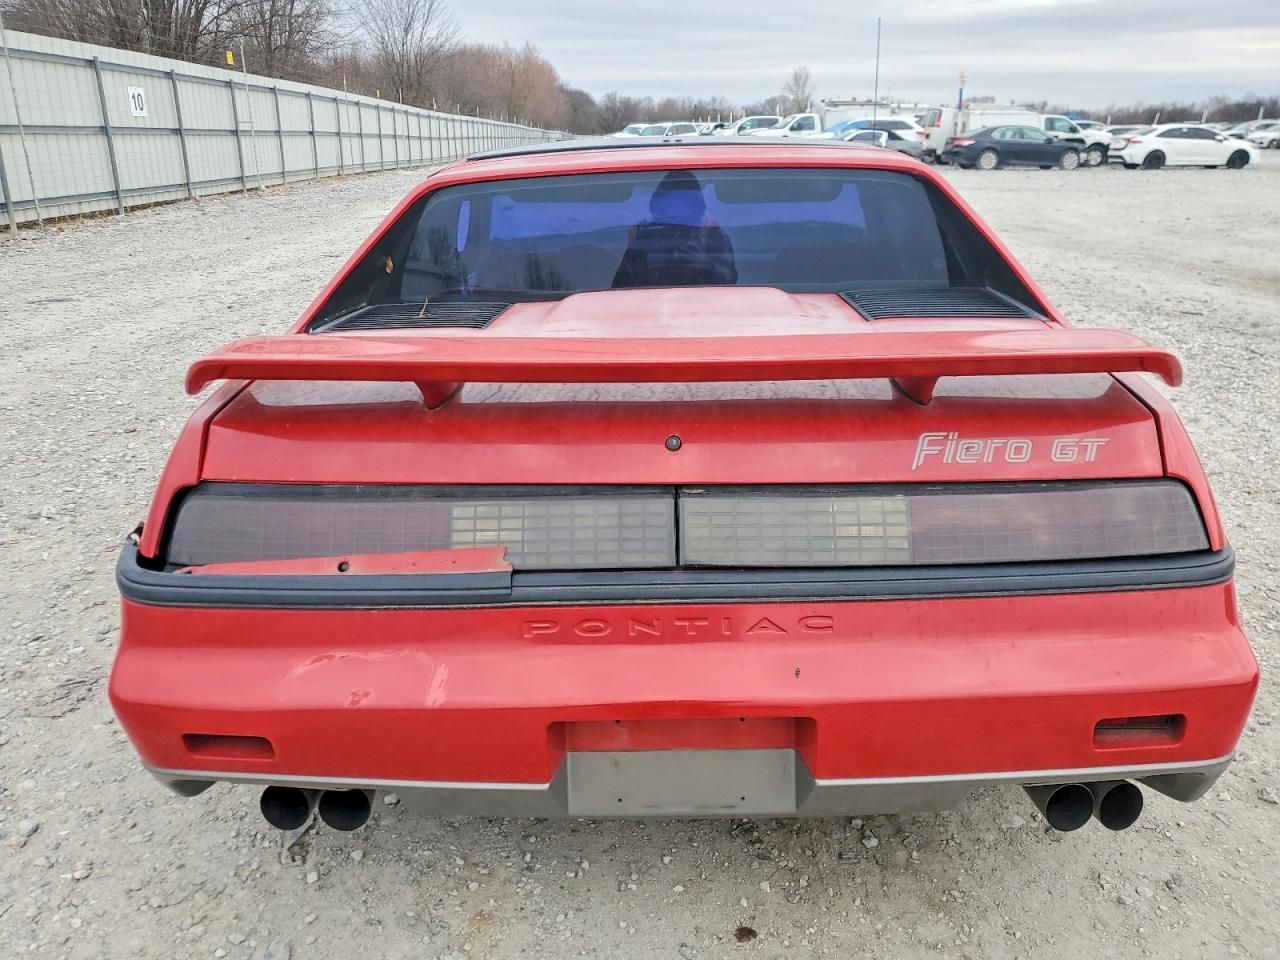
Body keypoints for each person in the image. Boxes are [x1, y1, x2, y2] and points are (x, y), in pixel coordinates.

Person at [613, 170, 738, 288]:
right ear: (657, 206)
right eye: (668, 207)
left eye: (683, 206)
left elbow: (729, 282)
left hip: (704, 300)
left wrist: (704, 264)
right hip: (648, 300)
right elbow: (621, 284)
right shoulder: (643, 233)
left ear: (696, 208)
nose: (675, 218)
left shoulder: (708, 231)